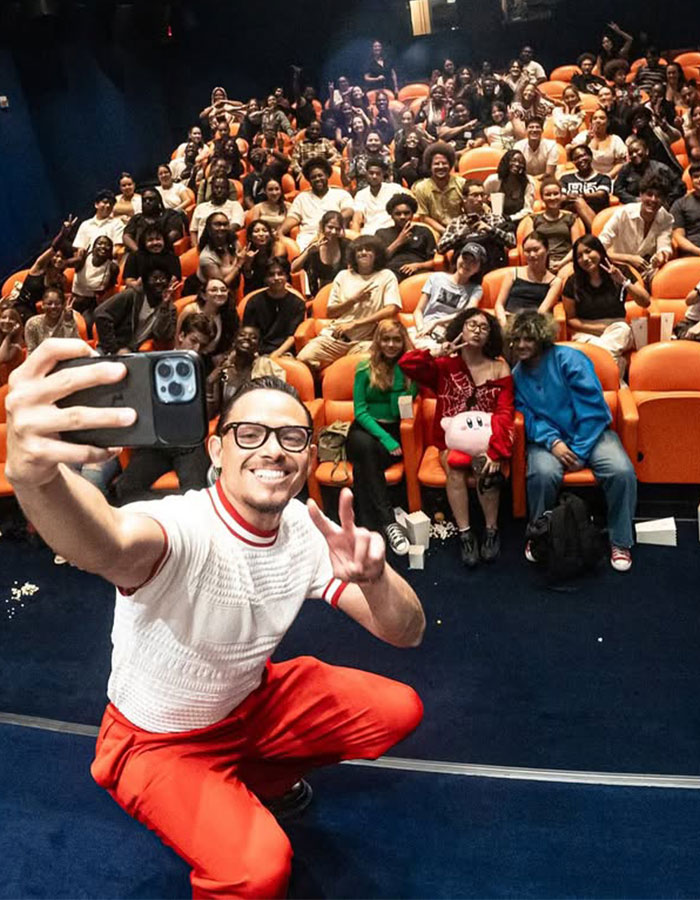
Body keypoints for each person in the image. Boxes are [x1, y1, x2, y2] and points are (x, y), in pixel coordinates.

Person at [5, 347, 425, 898]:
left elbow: (407, 631)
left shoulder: (304, 526)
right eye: (250, 433)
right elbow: (108, 541)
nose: (273, 450)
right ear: (216, 450)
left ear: (305, 458)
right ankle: (239, 787)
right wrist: (35, 477)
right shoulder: (181, 526)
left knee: (398, 711)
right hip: (158, 740)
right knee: (257, 871)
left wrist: (374, 579)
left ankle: (261, 781)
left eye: (292, 437)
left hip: (251, 700)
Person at [509, 310, 637, 572]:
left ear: (541, 339)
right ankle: (539, 535)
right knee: (542, 474)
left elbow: (592, 408)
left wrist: (578, 450)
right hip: (550, 440)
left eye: (529, 339)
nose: (521, 345)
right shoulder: (517, 374)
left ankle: (620, 540)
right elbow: (526, 416)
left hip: (590, 432)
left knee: (621, 471)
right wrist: (553, 441)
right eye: (517, 339)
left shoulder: (568, 358)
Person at [399, 308, 514, 566]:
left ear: (490, 336)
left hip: (487, 441)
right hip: (450, 440)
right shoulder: (444, 366)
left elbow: (505, 411)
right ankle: (465, 535)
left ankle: (491, 530)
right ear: (461, 329)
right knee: (454, 464)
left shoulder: (499, 366)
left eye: (483, 328)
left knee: (485, 465)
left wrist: (496, 450)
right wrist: (436, 352)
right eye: (471, 325)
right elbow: (406, 364)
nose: (477, 330)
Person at [112, 315, 217, 506]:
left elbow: (208, 415)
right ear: (181, 336)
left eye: (202, 345)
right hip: (157, 441)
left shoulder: (206, 365)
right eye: (193, 341)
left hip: (188, 442)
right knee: (125, 488)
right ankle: (168, 509)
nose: (196, 349)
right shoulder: (157, 363)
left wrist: (209, 385)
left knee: (198, 494)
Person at [347, 320, 417, 553]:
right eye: (386, 339)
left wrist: (399, 374)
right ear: (378, 340)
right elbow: (360, 411)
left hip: (395, 430)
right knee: (365, 448)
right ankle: (389, 522)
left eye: (396, 339)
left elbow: (401, 410)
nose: (391, 344)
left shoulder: (409, 369)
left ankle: (366, 529)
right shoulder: (364, 368)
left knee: (364, 465)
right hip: (365, 429)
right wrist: (386, 440)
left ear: (403, 341)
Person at [297, 236, 401, 371]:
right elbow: (331, 312)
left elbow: (392, 308)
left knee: (368, 367)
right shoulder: (343, 276)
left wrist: (355, 324)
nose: (363, 252)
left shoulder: (386, 276)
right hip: (336, 337)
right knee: (302, 359)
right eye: (359, 250)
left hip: (365, 341)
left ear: (377, 254)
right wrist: (354, 300)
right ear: (353, 255)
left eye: (368, 250)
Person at [562, 235, 651, 374]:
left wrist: (623, 281)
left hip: (618, 329)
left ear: (599, 251)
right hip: (586, 332)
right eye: (579, 256)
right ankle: (616, 378)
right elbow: (571, 319)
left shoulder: (621, 271)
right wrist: (600, 328)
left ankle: (602, 379)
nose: (585, 258)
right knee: (599, 349)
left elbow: (645, 302)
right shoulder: (572, 282)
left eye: (588, 251)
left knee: (619, 333)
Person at [599, 171, 673, 279]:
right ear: (641, 195)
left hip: (647, 271)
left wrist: (661, 256)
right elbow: (598, 249)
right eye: (649, 194)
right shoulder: (623, 213)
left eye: (658, 196)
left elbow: (664, 246)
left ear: (664, 200)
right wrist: (629, 258)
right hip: (619, 268)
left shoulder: (666, 218)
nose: (653, 199)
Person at [94, 266, 178, 355]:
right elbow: (101, 314)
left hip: (136, 354)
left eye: (162, 279)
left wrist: (164, 307)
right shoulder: (132, 295)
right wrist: (115, 349)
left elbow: (162, 336)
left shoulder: (170, 309)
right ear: (145, 282)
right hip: (110, 349)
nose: (159, 282)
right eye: (154, 278)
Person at [205, 326, 288, 417]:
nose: (247, 338)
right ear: (234, 341)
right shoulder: (223, 369)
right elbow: (210, 414)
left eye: (253, 337)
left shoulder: (265, 367)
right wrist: (209, 384)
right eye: (242, 335)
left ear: (259, 346)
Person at [413, 244, 485, 346]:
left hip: (447, 334)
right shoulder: (436, 278)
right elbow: (418, 310)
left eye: (473, 262)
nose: (467, 264)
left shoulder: (476, 289)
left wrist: (437, 322)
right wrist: (422, 329)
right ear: (457, 258)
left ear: (478, 268)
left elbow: (468, 312)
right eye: (464, 258)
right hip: (423, 328)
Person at [437, 180, 516, 273]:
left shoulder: (496, 218)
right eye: (475, 195)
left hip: (492, 266)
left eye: (482, 195)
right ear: (465, 198)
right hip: (465, 271)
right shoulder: (457, 222)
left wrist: (489, 229)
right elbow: (440, 248)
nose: (479, 199)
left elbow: (512, 242)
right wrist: (461, 234)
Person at [280, 157, 354, 250]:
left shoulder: (340, 193)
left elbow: (349, 210)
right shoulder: (302, 198)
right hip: (308, 238)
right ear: (309, 180)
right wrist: (281, 232)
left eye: (320, 175)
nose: (317, 179)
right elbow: (293, 217)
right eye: (313, 177)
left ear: (327, 175)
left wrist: (332, 222)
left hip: (334, 235)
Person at [494, 231, 562, 328]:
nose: (532, 254)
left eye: (536, 249)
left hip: (533, 325)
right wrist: (504, 324)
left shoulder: (555, 282)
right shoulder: (513, 273)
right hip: (507, 321)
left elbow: (542, 312)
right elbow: (499, 304)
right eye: (527, 251)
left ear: (547, 250)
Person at [12, 217, 75, 322]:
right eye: (57, 256)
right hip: (20, 309)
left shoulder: (61, 280)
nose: (59, 259)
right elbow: (53, 248)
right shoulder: (39, 267)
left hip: (38, 314)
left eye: (63, 258)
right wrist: (63, 234)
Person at [242, 257, 305, 356]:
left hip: (285, 352)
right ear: (265, 279)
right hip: (257, 352)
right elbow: (249, 332)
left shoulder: (298, 303)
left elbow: (292, 336)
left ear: (286, 277)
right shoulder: (254, 302)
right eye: (271, 275)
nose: (276, 278)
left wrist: (276, 355)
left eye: (280, 274)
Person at [375, 193, 437, 282]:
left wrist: (418, 266)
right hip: (391, 273)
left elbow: (435, 261)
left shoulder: (424, 231)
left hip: (419, 271)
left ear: (412, 214)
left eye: (406, 213)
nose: (402, 217)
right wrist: (399, 241)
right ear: (391, 215)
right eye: (398, 214)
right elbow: (377, 261)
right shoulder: (381, 233)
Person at [178, 276, 239, 361]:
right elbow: (178, 339)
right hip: (185, 356)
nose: (219, 293)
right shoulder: (190, 310)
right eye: (214, 290)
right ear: (204, 295)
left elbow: (232, 341)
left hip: (211, 360)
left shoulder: (230, 313)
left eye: (223, 290)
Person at [290, 210, 351, 295]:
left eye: (337, 229)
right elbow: (293, 268)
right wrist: (307, 252)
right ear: (323, 227)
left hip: (343, 293)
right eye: (330, 227)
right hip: (319, 295)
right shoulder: (315, 246)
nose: (333, 232)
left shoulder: (347, 246)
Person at [70, 235, 119, 336]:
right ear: (93, 246)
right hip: (75, 300)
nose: (103, 247)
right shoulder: (83, 258)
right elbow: (67, 264)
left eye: (107, 245)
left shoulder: (112, 267)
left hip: (92, 304)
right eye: (100, 243)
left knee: (88, 325)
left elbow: (110, 288)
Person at [413, 142, 465, 236]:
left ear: (450, 165)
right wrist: (445, 232)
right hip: (434, 231)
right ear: (430, 166)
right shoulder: (421, 187)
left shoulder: (462, 183)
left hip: (460, 228)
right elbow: (424, 217)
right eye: (436, 164)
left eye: (444, 163)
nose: (440, 167)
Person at [530, 177, 581, 272]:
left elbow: (577, 247)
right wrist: (544, 263)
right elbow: (530, 248)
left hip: (566, 262)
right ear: (542, 198)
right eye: (548, 195)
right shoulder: (533, 219)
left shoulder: (571, 218)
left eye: (556, 194)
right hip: (540, 262)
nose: (552, 198)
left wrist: (562, 263)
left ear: (561, 196)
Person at [614, 137, 685, 205]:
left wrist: (666, 201)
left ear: (647, 151)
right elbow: (617, 189)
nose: (634, 155)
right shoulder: (626, 169)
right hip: (634, 206)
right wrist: (634, 199)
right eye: (631, 153)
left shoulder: (661, 168)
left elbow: (680, 186)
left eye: (637, 151)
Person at [559, 144, 612, 230]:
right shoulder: (566, 178)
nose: (580, 160)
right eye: (576, 159)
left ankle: (597, 233)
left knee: (578, 202)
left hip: (596, 216)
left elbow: (601, 195)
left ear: (590, 156)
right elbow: (560, 198)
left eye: (583, 156)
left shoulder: (603, 178)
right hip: (571, 219)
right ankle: (598, 234)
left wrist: (581, 196)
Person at [351, 157, 405, 234]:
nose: (374, 176)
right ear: (366, 174)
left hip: (391, 232)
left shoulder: (395, 189)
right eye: (371, 173)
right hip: (369, 233)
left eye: (378, 174)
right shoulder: (361, 194)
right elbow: (357, 218)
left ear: (383, 175)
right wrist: (355, 237)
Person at [122, 188, 185, 253]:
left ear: (159, 201)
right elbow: (126, 236)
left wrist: (155, 247)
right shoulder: (137, 218)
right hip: (138, 253)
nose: (147, 202)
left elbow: (174, 234)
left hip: (163, 252)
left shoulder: (170, 215)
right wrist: (139, 251)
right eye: (144, 200)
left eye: (151, 199)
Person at [569, 109, 628, 178]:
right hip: (585, 177)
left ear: (607, 122)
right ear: (591, 123)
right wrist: (585, 143)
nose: (598, 121)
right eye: (595, 118)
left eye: (602, 118)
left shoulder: (615, 140)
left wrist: (607, 177)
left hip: (608, 178)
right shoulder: (583, 136)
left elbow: (620, 163)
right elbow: (569, 152)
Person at [190, 173, 245, 247]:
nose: (219, 190)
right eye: (216, 187)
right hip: (202, 248)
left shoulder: (235, 205)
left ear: (228, 190)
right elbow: (193, 230)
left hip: (224, 246)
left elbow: (235, 225)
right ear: (211, 189)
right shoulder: (200, 207)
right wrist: (196, 248)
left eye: (223, 188)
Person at [483, 149, 536, 224]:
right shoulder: (493, 180)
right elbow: (481, 201)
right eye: (514, 160)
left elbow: (528, 210)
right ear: (506, 161)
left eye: (521, 162)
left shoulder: (528, 182)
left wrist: (510, 218)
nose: (517, 164)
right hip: (493, 221)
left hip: (516, 221)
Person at [123, 226, 181, 291]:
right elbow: (129, 280)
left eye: (158, 239)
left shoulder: (172, 257)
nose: (155, 243)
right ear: (144, 242)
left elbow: (174, 279)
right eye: (150, 240)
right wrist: (136, 284)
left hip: (165, 291)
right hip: (138, 291)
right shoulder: (134, 256)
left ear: (164, 241)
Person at [197, 211, 245, 290]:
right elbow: (221, 287)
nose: (222, 228)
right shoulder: (206, 256)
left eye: (225, 224)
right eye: (217, 224)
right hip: (216, 297)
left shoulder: (234, 243)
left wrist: (248, 261)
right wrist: (238, 265)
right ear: (209, 228)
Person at [24, 287, 80, 353]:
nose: (53, 307)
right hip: (40, 360)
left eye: (57, 304)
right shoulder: (32, 324)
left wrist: (68, 322)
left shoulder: (70, 320)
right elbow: (31, 351)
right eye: (49, 303)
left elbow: (74, 347)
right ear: (42, 305)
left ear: (63, 305)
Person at [73, 190, 125, 256]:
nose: (108, 205)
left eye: (111, 204)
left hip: (108, 263)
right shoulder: (85, 224)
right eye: (105, 202)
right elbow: (79, 248)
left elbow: (118, 247)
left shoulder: (118, 224)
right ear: (96, 205)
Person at [240, 220, 286, 293]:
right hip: (255, 289)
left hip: (276, 283)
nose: (261, 234)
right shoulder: (247, 252)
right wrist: (248, 263)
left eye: (265, 231)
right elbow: (248, 279)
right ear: (250, 237)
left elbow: (279, 270)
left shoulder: (277, 248)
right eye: (256, 231)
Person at [671, 161, 700, 257]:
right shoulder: (680, 204)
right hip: (693, 253)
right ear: (691, 180)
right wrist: (698, 251)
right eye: (696, 177)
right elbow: (678, 236)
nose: (699, 180)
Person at [0, 305, 24, 375]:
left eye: (12, 318)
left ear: (18, 324)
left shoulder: (18, 345)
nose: (7, 321)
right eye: (3, 317)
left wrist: (9, 335)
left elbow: (2, 358)